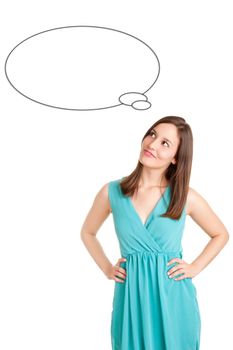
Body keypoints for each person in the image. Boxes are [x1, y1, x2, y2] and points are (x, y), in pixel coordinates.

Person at [80, 116, 229, 350]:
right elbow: (88, 232)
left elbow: (220, 234)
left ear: (176, 158)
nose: (152, 144)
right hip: (130, 298)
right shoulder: (111, 192)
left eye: (165, 143)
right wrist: (107, 268)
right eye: (152, 134)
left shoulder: (185, 197)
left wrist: (195, 267)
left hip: (174, 298)